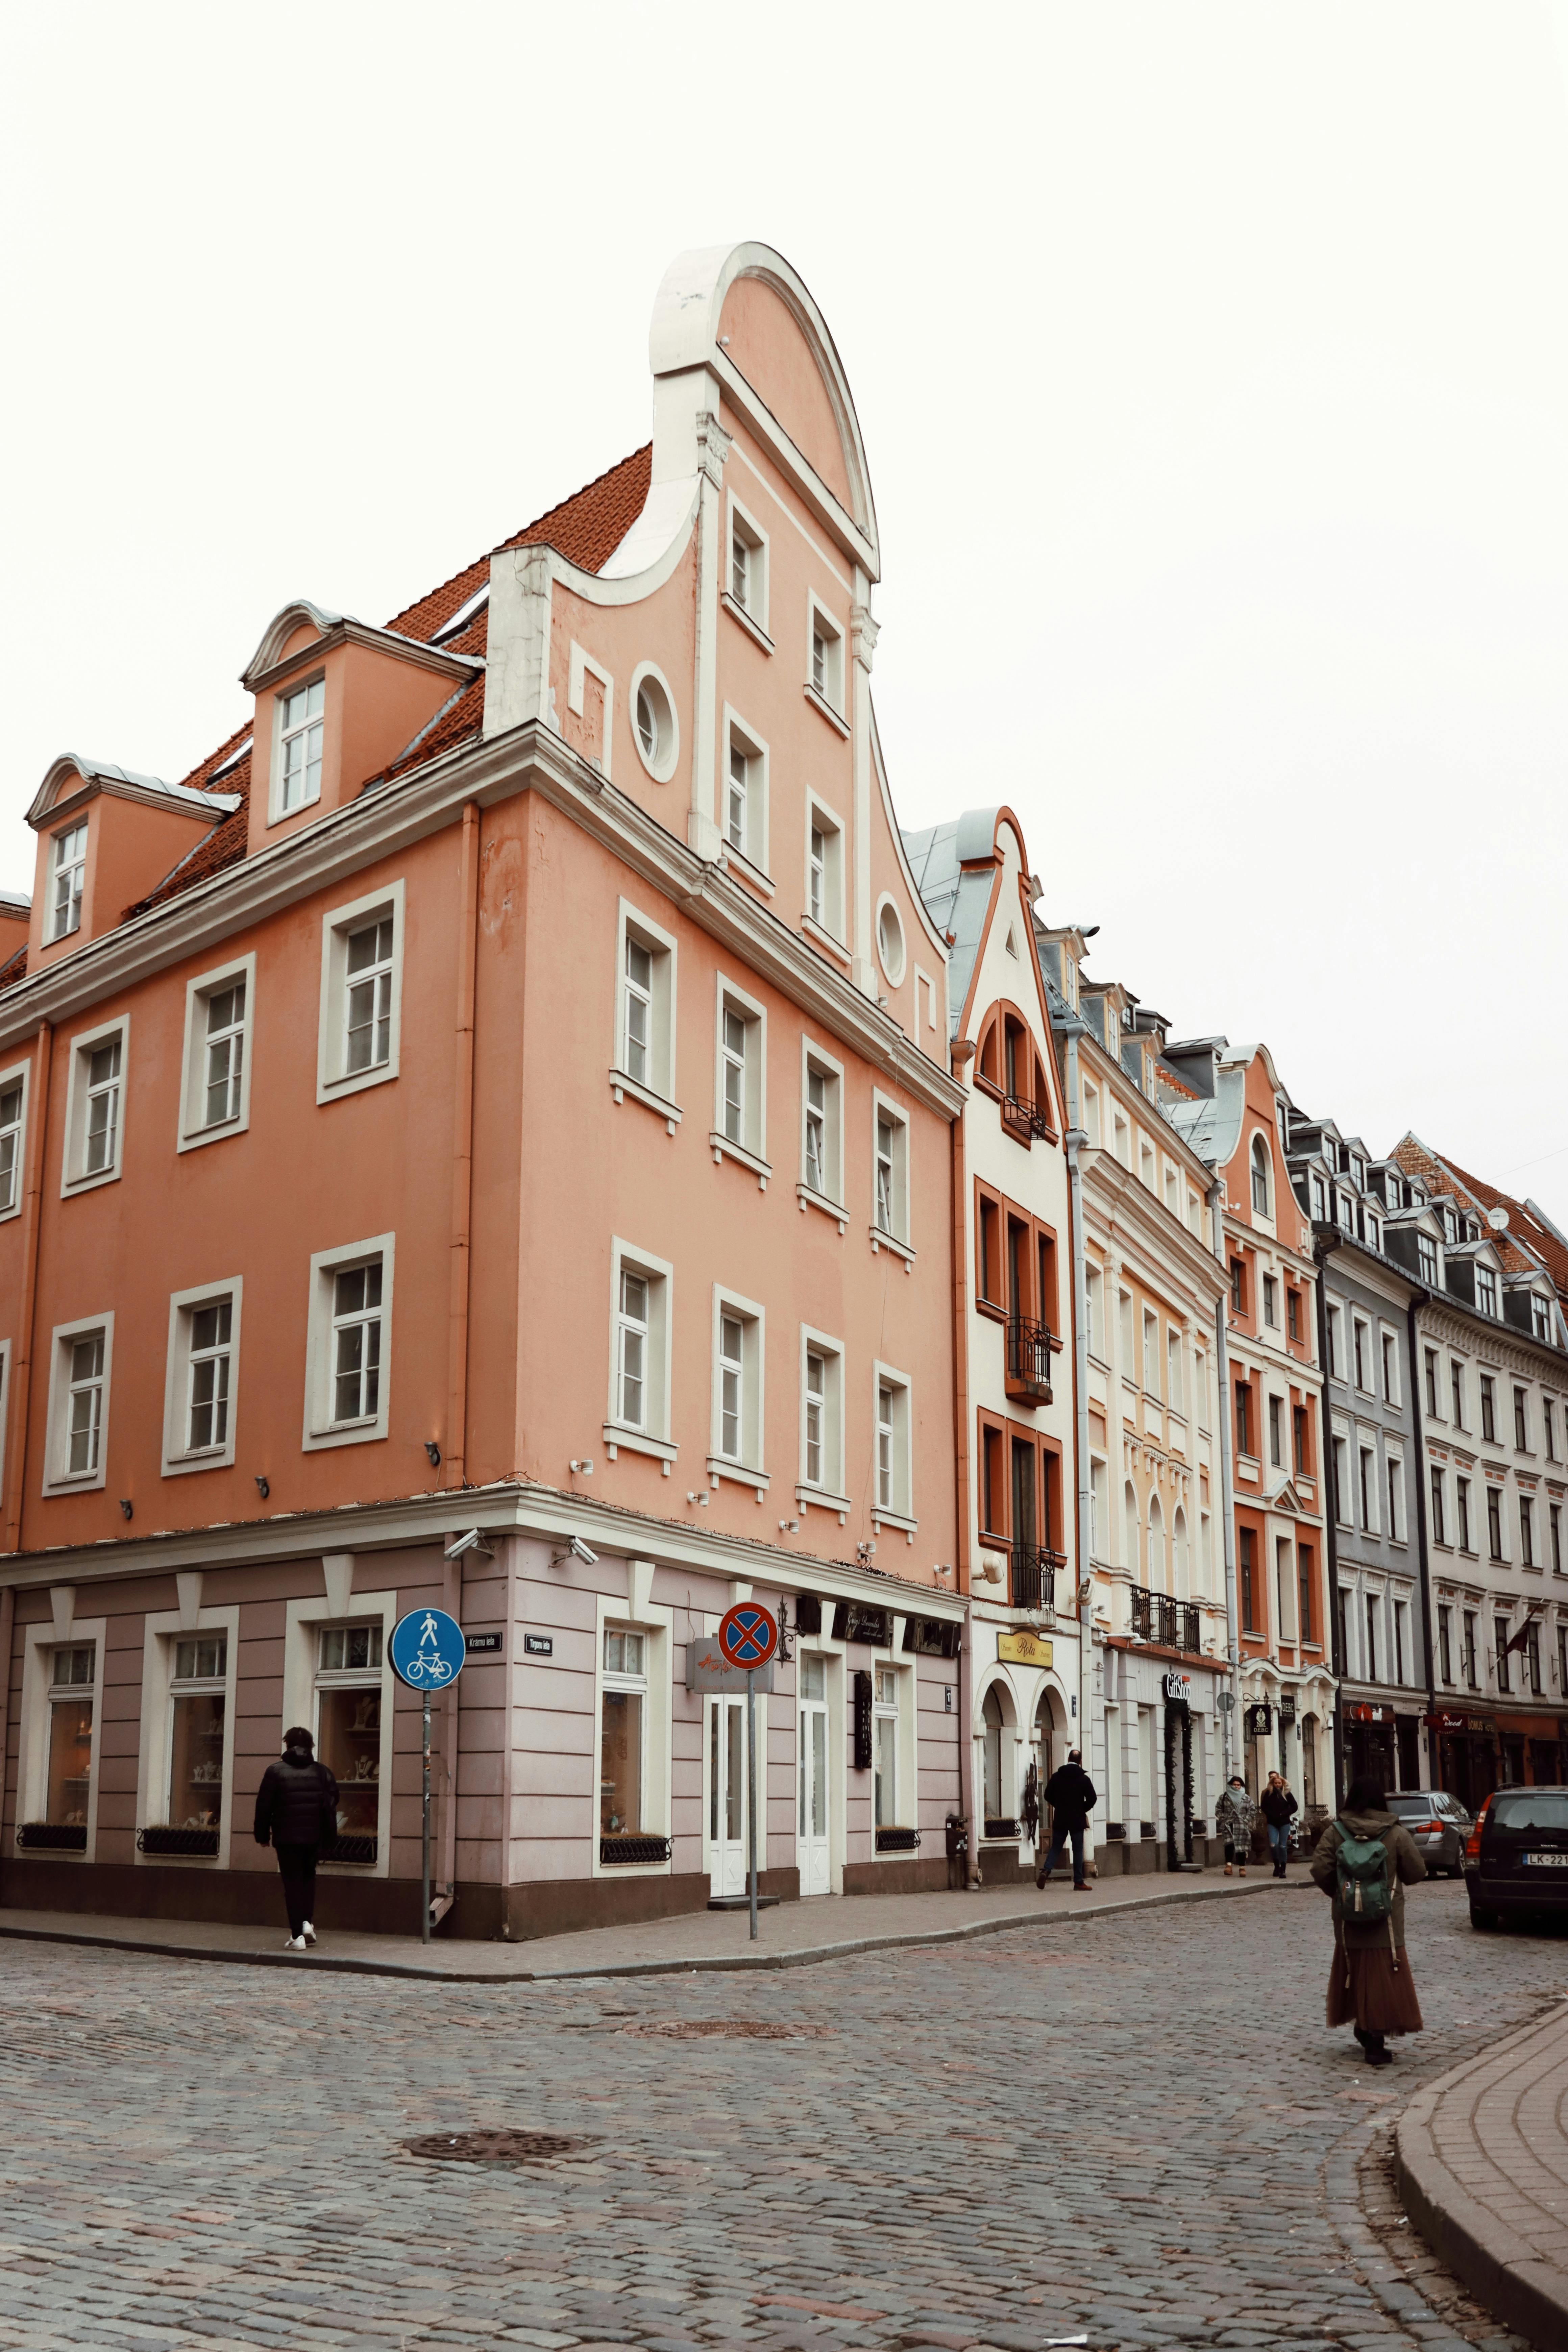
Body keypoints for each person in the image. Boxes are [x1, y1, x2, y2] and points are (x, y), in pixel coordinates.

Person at [1309, 1774, 1426, 2067]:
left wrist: (1340, 1895)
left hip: (1349, 1922)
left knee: (1354, 1970)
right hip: (1386, 1924)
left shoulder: (1336, 1832)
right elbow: (1417, 1872)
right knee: (1385, 1977)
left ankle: (1362, 2026)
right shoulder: (1396, 1834)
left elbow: (1320, 1868)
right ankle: (1375, 2041)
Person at [254, 1725, 339, 1953]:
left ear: (287, 1745)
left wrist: (262, 1836)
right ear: (310, 1746)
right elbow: (333, 1802)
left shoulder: (275, 1772)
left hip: (287, 1838)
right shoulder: (322, 1772)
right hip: (313, 1837)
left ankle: (296, 1936)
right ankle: (307, 1923)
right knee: (308, 1879)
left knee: (292, 1884)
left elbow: (264, 1807)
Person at [1035, 1748, 1097, 1891]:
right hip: (1077, 1819)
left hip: (1061, 1818)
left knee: (1056, 1846)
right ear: (1080, 1762)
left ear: (1068, 1760)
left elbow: (1047, 1795)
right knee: (1078, 1850)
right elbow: (1093, 1799)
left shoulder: (1057, 1777)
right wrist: (1082, 1809)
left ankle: (1046, 1870)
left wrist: (1059, 1805)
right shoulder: (1084, 1779)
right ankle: (1079, 1882)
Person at [1260, 1770, 1299, 1878]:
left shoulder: (1287, 1794)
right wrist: (1271, 1815)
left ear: (1283, 1783)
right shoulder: (1268, 1793)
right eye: (1276, 1783)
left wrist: (1284, 1813)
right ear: (1273, 1784)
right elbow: (1264, 1807)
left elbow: (1294, 1806)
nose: (1278, 1785)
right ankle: (1277, 1866)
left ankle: (1283, 1869)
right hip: (1272, 1823)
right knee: (1273, 1845)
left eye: (1279, 1783)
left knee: (1283, 1846)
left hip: (1284, 1823)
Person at [1216, 1774, 1256, 1876]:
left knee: (1241, 1847)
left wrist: (1246, 1821)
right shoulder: (1224, 1797)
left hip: (1241, 1826)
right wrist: (1223, 1819)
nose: (1236, 1787)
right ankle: (1229, 1866)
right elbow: (1218, 1809)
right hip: (1228, 1825)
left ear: (1241, 1786)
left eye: (1238, 1785)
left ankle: (1242, 1868)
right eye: (1234, 1785)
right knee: (1229, 1845)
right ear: (1231, 1785)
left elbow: (1252, 1810)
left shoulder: (1246, 1798)